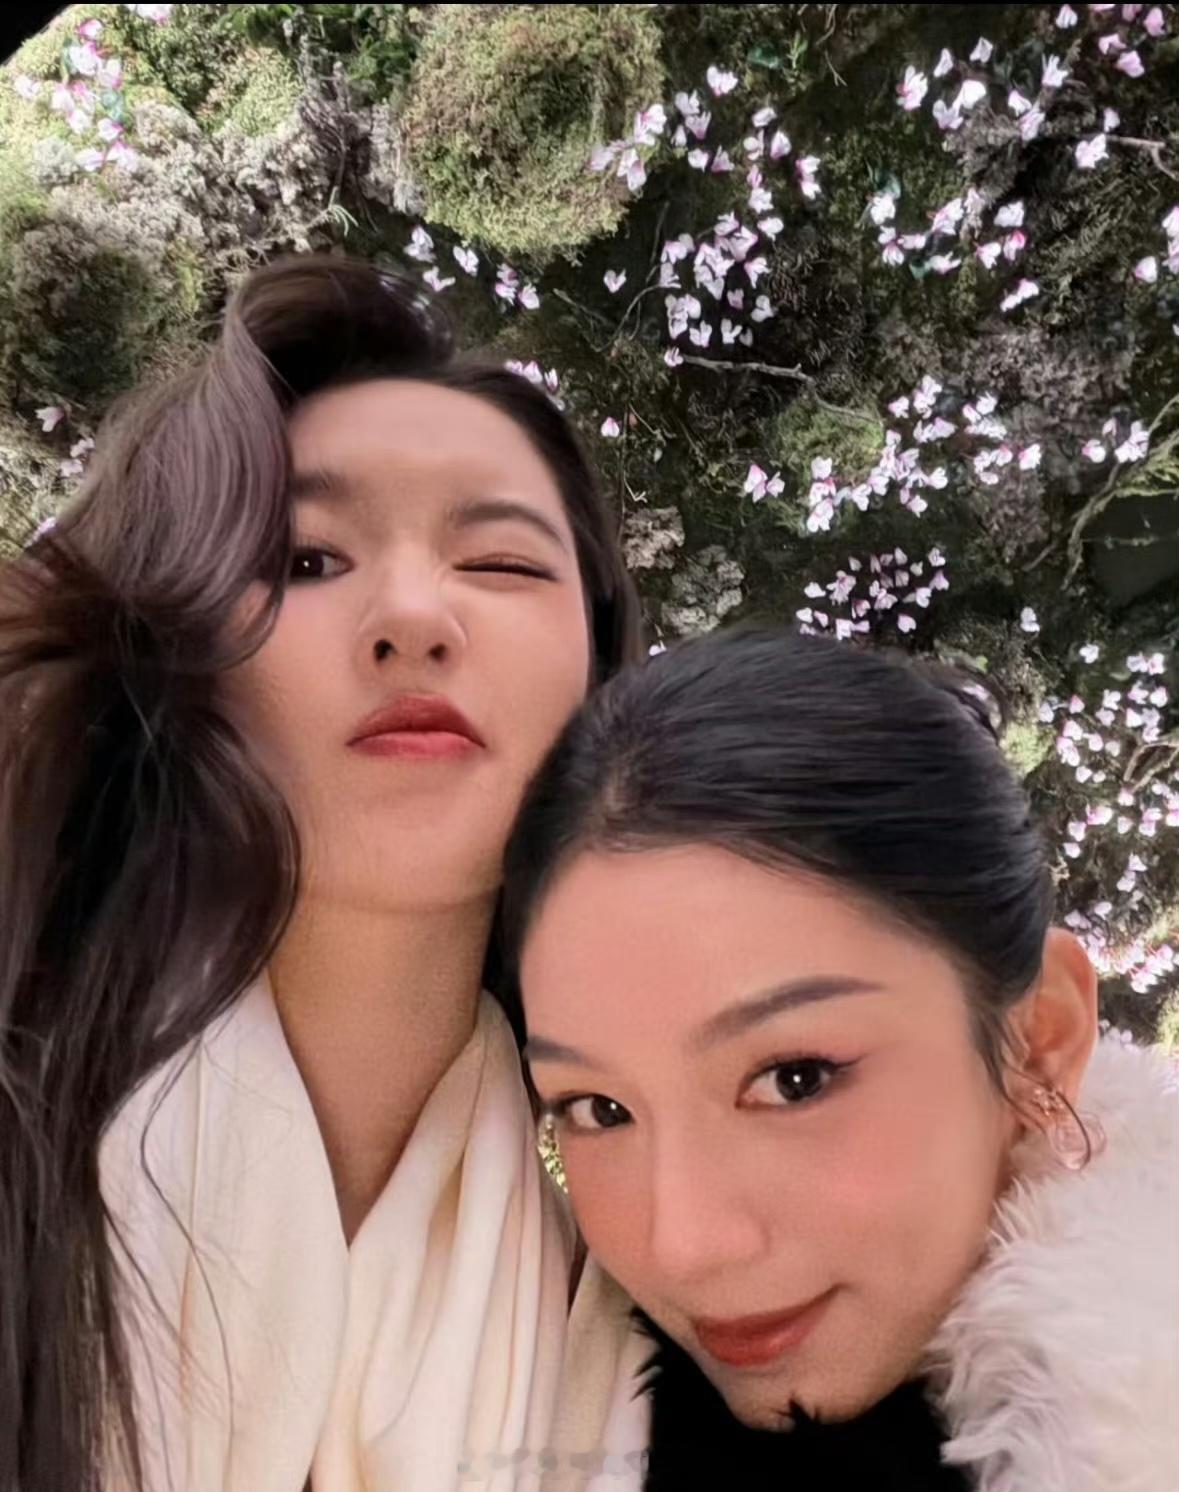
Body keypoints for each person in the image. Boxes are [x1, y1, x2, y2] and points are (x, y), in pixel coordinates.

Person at [0, 256, 650, 1491]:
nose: (412, 618)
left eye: (500, 562)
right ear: (173, 643)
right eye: (305, 560)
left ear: (598, 665)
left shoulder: (660, 1272)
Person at [505, 627, 1179, 1492]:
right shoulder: (544, 1405)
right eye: (598, 1110)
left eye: (794, 1080)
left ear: (1041, 1038)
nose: (684, 1246)